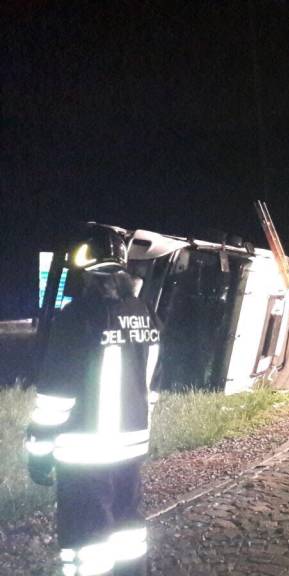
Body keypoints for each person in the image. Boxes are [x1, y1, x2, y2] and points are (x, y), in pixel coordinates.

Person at [25, 225, 160, 576]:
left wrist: (38, 452)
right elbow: (151, 381)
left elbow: (55, 397)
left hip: (84, 452)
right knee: (127, 529)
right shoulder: (144, 312)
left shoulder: (77, 318)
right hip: (130, 448)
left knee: (87, 538)